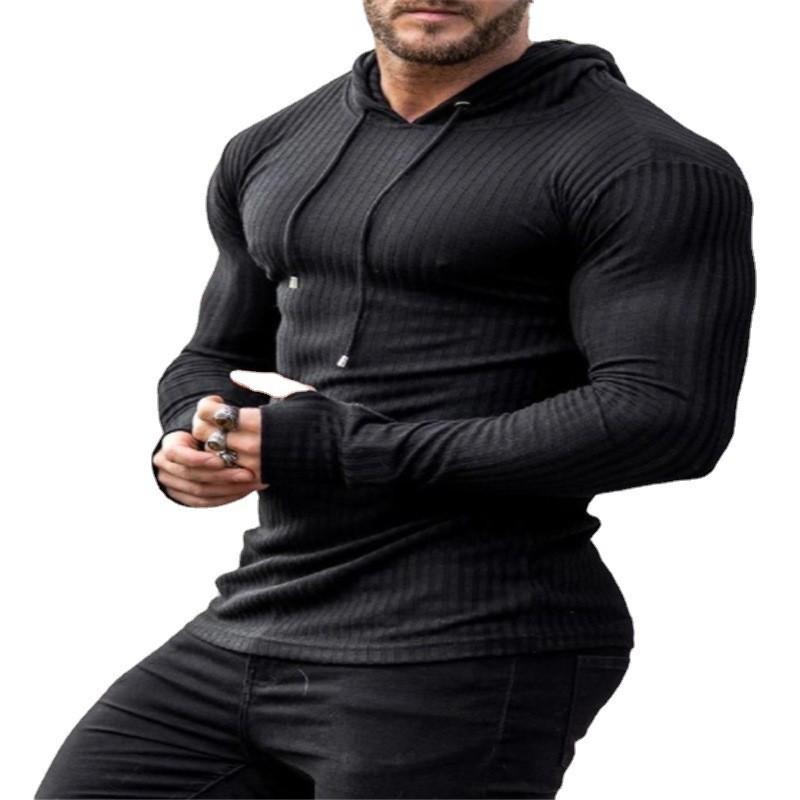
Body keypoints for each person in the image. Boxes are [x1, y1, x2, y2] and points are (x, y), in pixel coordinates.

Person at [34, 0, 756, 797]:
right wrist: (197, 437)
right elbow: (217, 353)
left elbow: (664, 417)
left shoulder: (645, 164)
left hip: (471, 642)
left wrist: (343, 451)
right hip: (261, 614)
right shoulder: (273, 144)